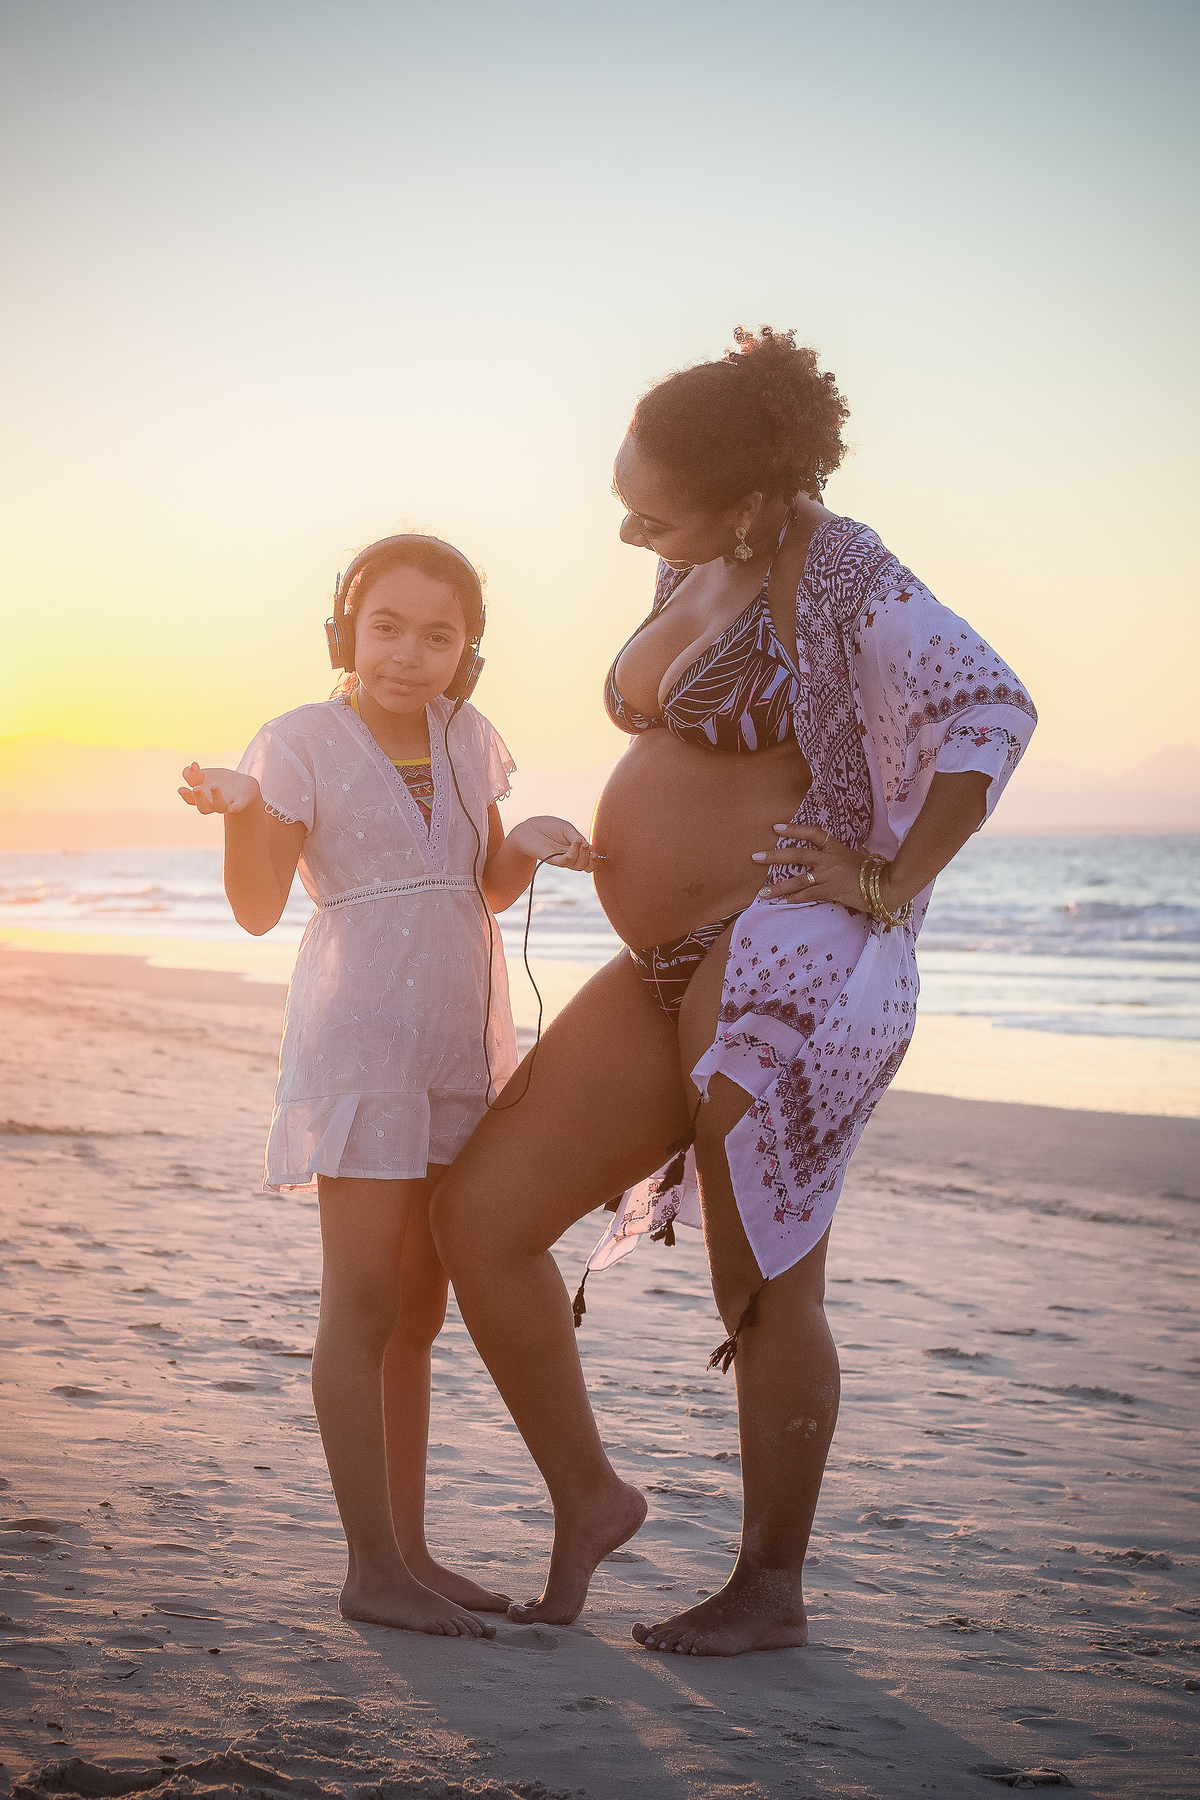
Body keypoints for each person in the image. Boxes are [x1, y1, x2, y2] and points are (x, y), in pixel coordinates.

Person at [432, 329, 1037, 1656]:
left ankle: (771, 1586)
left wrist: (888, 877)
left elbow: (991, 710)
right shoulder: (689, 561)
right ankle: (592, 1499)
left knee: (759, 1283)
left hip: (773, 961)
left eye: (652, 507)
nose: (628, 527)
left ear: (754, 502)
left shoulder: (844, 568)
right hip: (657, 964)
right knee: (481, 1217)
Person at [178, 533, 598, 1638]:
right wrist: (240, 810)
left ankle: (411, 1554)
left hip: (457, 1050)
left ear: (470, 653)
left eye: (438, 636)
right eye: (387, 629)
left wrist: (529, 844)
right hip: (359, 1048)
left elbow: (477, 886)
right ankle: (370, 1568)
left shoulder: (469, 738)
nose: (409, 655)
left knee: (419, 1314)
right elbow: (258, 908)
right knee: (360, 1307)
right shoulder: (297, 742)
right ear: (345, 634)